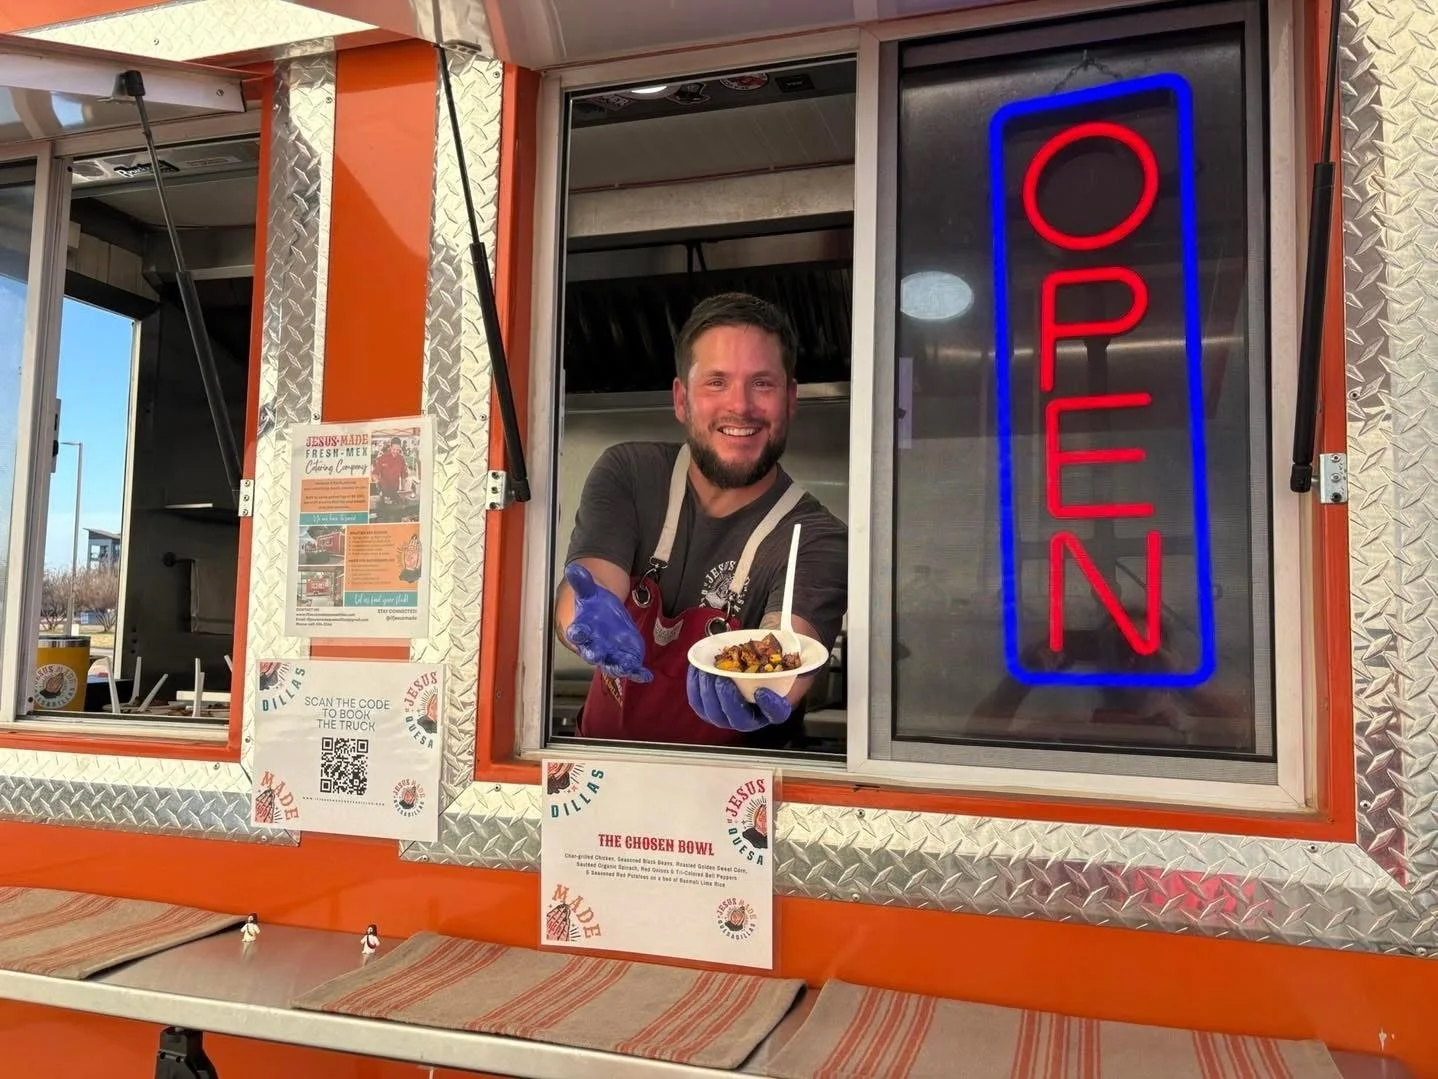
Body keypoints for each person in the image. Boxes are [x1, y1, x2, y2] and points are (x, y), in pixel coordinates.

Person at [554, 292, 847, 747]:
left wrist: (764, 691)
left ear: (791, 399)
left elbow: (789, 645)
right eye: (716, 382)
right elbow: (591, 585)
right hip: (598, 780)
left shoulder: (818, 537)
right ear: (681, 399)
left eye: (762, 383)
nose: (741, 406)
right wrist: (588, 620)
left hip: (735, 802)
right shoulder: (630, 474)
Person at [372, 437, 409, 521]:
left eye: (398, 449)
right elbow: (374, 474)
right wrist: (379, 485)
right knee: (385, 516)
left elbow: (403, 475)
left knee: (398, 515)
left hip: (395, 492)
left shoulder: (401, 459)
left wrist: (403, 490)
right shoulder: (382, 458)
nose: (396, 451)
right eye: (394, 449)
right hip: (384, 492)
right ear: (390, 447)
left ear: (400, 448)